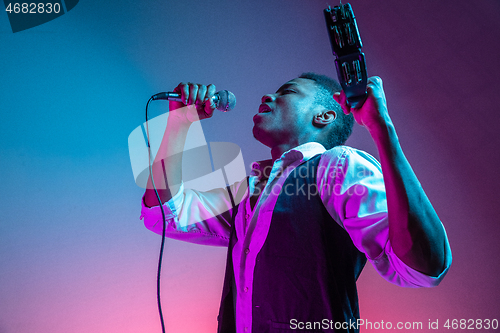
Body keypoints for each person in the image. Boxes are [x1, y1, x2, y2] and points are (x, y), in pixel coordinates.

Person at [140, 73, 452, 333]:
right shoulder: (252, 190)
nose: (267, 96)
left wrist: (381, 128)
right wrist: (180, 118)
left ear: (324, 115)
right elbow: (164, 214)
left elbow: (423, 268)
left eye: (286, 92)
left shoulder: (337, 166)